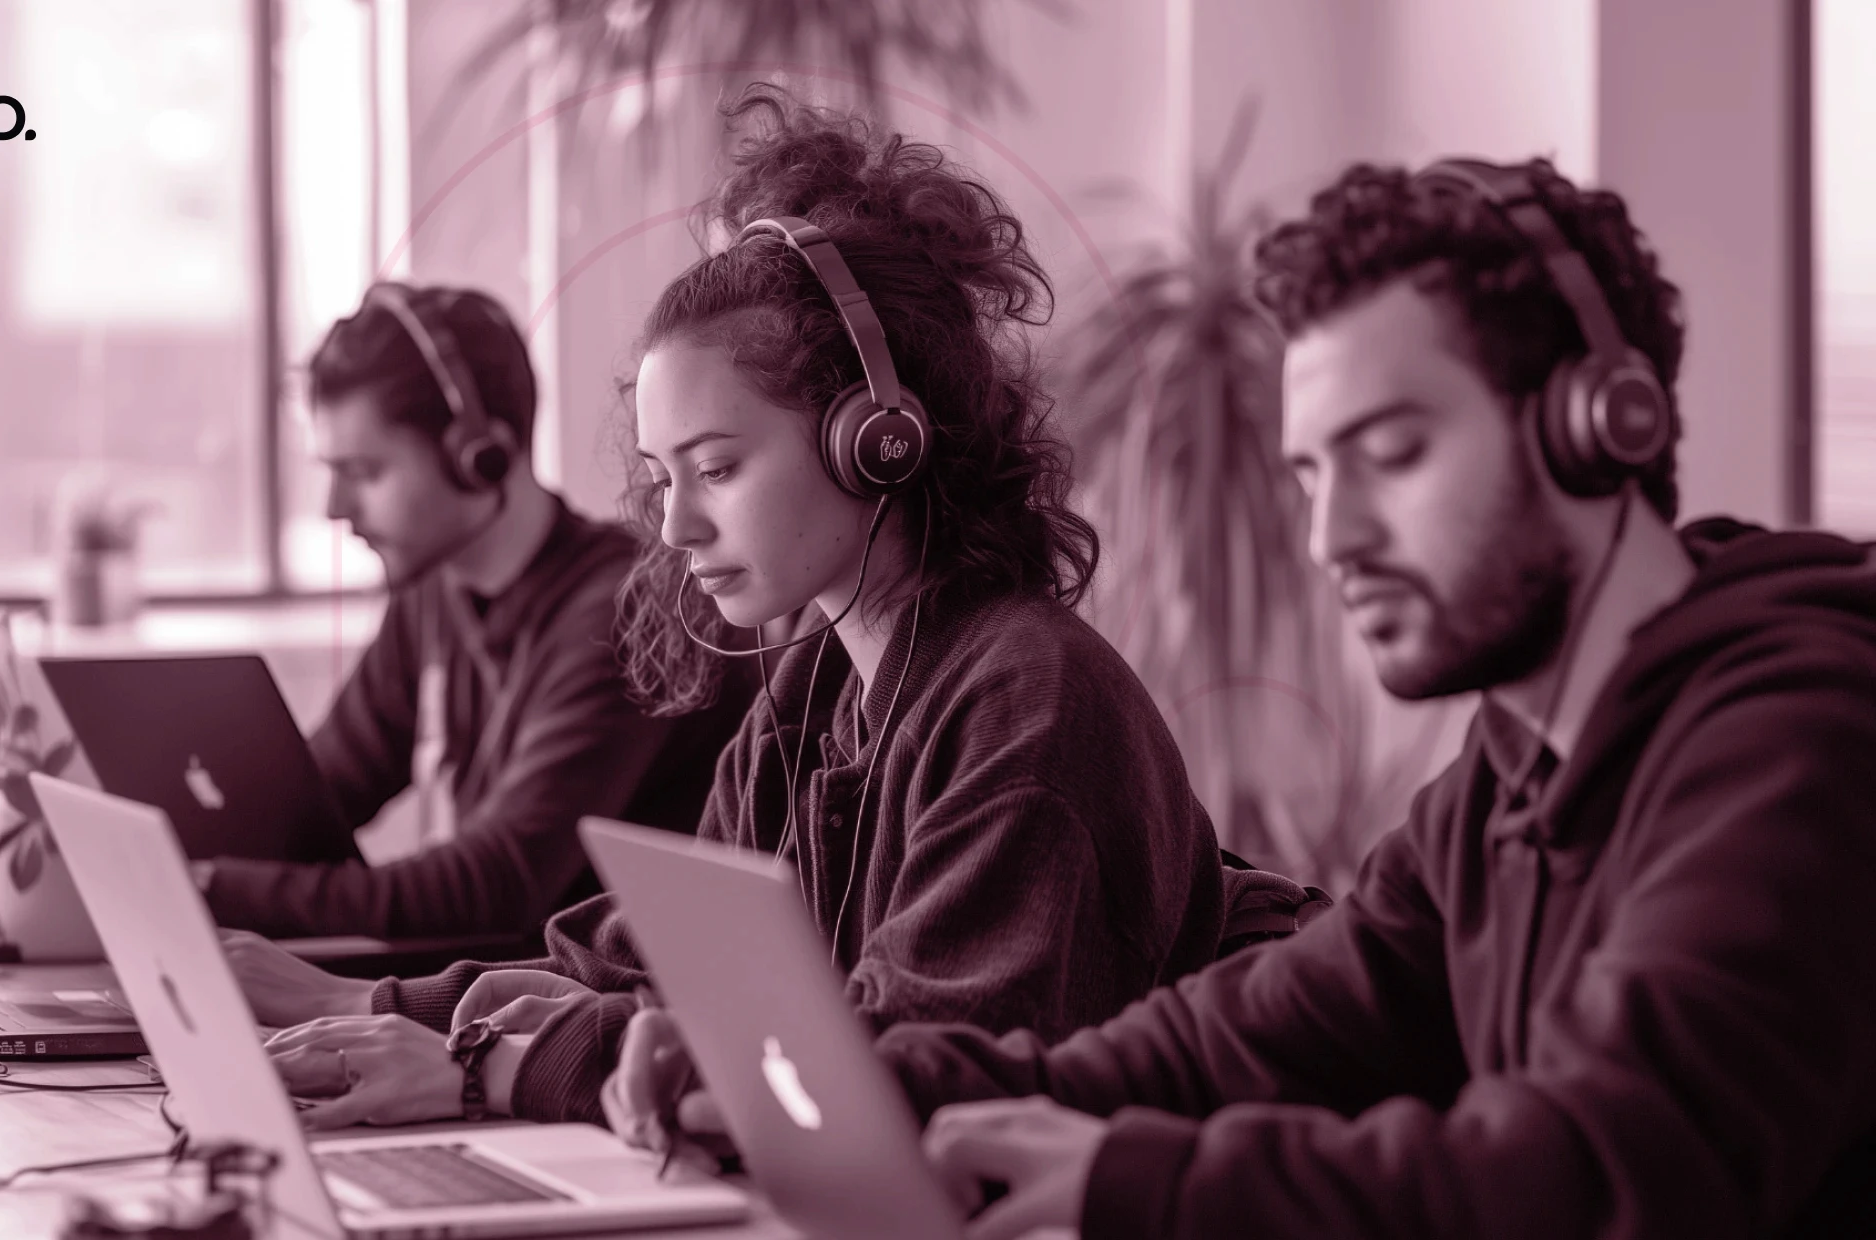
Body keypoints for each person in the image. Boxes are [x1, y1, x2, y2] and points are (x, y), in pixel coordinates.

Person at [614, 155, 1876, 1238]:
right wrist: (859, 1088)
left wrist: (1129, 1179)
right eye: (1313, 474)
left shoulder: (1792, 746)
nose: (1333, 535)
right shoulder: (1505, 779)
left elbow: (1599, 1169)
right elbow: (1228, 1044)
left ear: (1599, 424)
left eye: (1392, 454)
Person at [223, 85, 1228, 1133]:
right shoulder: (809, 692)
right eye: (663, 479)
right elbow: (645, 965)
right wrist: (400, 1013)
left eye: (716, 468)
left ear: (876, 439)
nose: (676, 528)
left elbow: (905, 1075)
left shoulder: (1027, 704)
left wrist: (487, 1066)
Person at [194, 283, 752, 941]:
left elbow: (496, 885)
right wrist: (172, 849)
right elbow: (320, 795)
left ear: (481, 455)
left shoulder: (626, 611)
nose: (335, 508)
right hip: (480, 994)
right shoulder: (431, 596)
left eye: (365, 471)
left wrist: (213, 889)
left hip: (580, 1011)